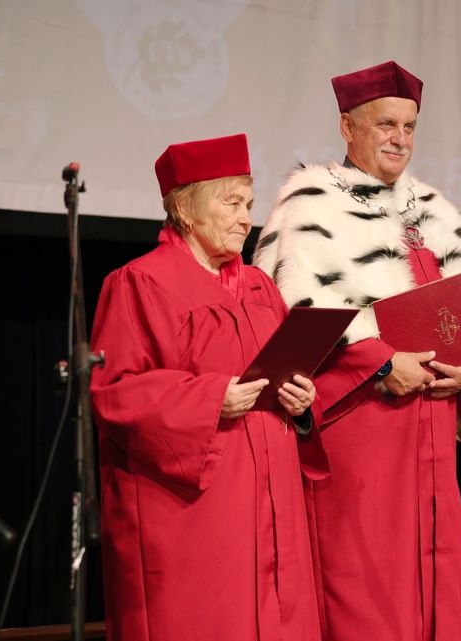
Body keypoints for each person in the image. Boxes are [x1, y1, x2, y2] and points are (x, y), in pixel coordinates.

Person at [252, 61, 461, 641]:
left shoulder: (434, 210)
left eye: (409, 127)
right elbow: (293, 320)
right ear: (346, 127)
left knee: (438, 574)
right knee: (367, 581)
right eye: (385, 124)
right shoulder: (311, 205)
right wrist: (381, 362)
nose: (399, 139)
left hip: (432, 423)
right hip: (364, 424)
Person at [91, 134, 322, 641]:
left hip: (273, 504)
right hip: (197, 513)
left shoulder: (261, 287)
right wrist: (210, 397)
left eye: (249, 204)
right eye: (231, 203)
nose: (246, 218)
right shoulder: (139, 283)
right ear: (186, 207)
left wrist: (302, 402)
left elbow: (291, 374)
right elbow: (115, 392)